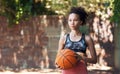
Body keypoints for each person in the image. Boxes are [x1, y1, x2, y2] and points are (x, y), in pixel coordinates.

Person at [56, 6, 97, 74]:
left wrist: (81, 58)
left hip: (81, 70)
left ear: (81, 22)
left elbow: (94, 60)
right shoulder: (64, 38)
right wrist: (59, 63)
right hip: (66, 71)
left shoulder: (87, 39)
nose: (72, 22)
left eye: (75, 20)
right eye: (70, 20)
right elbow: (57, 60)